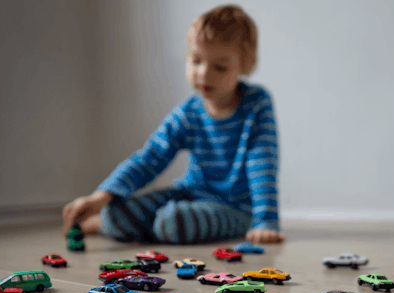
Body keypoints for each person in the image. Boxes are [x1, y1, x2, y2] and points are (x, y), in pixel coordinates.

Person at [62, 4, 284, 245]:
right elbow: (149, 158)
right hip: (191, 194)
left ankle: (145, 228)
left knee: (176, 219)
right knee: (115, 212)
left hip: (237, 207)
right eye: (196, 60)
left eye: (219, 66)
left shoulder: (256, 104)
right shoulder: (188, 113)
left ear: (246, 66)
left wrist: (265, 221)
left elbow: (262, 163)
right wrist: (100, 197)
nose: (204, 73)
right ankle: (115, 224)